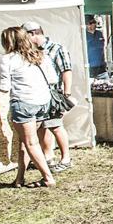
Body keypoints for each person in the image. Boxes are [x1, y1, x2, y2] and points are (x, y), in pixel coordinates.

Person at [0, 26, 56, 188]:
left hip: (23, 103)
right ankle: (20, 178)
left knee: (30, 143)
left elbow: (4, 87)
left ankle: (48, 177)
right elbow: (52, 79)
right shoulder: (40, 55)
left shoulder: (8, 59)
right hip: (42, 102)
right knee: (25, 141)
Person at [23, 21, 74, 173]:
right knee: (42, 127)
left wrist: (67, 93)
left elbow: (66, 70)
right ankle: (48, 156)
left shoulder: (57, 48)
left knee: (56, 125)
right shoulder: (31, 50)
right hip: (38, 94)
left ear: (33, 34)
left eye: (25, 36)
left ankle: (66, 158)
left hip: (53, 94)